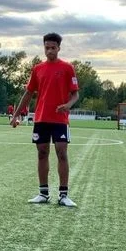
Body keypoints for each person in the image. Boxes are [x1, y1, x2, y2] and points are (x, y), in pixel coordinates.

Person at [10, 33, 80, 207]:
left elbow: (75, 94)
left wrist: (68, 105)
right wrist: (16, 114)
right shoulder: (37, 69)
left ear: (58, 48)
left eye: (53, 48)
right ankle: (43, 193)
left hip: (60, 119)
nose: (49, 50)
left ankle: (63, 195)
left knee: (62, 153)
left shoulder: (67, 68)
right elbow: (28, 93)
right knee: (42, 154)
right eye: (47, 47)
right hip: (41, 118)